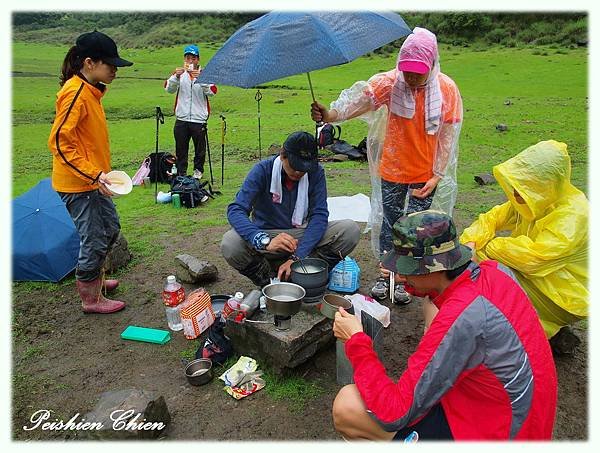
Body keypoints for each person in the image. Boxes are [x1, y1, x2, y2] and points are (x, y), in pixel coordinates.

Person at [331, 210, 557, 440]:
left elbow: (395, 413)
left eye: (407, 267)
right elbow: (437, 289)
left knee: (347, 406)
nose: (400, 272)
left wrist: (356, 341)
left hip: (495, 432)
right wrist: (410, 282)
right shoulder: (495, 272)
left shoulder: (462, 318)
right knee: (432, 304)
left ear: (431, 268)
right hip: (521, 415)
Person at [311, 27, 462, 305]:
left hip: (425, 175)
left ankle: (408, 279)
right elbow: (356, 104)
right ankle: (385, 274)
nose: (412, 77)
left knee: (416, 230)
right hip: (393, 169)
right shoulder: (390, 83)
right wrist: (330, 114)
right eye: (407, 70)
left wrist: (438, 175)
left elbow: (448, 136)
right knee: (390, 224)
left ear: (432, 64)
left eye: (418, 71)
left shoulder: (446, 90)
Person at [460, 140, 588, 354]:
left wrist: (486, 248)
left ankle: (521, 333)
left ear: (545, 183)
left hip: (566, 296)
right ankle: (529, 331)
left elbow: (533, 258)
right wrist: (471, 242)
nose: (517, 193)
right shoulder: (534, 199)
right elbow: (492, 218)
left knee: (485, 269)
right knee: (477, 259)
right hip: (544, 281)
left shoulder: (573, 215)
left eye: (526, 185)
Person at [48, 31, 133, 314]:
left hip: (94, 180)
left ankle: (95, 277)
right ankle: (90, 296)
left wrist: (99, 175)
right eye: (110, 64)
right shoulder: (74, 93)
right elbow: (60, 142)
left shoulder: (90, 91)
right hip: (78, 183)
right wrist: (93, 175)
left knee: (110, 230)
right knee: (95, 238)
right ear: (89, 62)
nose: (115, 70)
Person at [221, 131, 360, 287]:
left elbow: (319, 215)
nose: (299, 172)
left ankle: (304, 272)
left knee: (350, 230)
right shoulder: (262, 170)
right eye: (295, 166)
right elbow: (236, 209)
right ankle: (269, 280)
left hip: (299, 234)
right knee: (230, 242)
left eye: (304, 168)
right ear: (282, 155)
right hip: (267, 235)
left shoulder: (316, 173)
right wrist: (263, 240)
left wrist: (297, 258)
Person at [164, 44, 217, 179]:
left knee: (200, 149)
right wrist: (175, 77)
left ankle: (198, 171)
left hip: (199, 119)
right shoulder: (179, 74)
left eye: (193, 58)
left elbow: (213, 92)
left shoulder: (206, 73)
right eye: (188, 58)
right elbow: (168, 89)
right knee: (181, 148)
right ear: (184, 60)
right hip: (182, 118)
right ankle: (181, 172)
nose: (190, 61)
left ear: (198, 60)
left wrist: (202, 79)